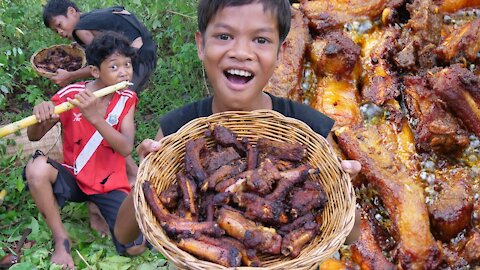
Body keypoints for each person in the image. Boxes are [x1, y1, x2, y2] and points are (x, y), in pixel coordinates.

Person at [114, 0, 361, 247]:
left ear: (281, 54)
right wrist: (147, 175)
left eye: (261, 40)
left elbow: (350, 236)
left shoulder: (310, 129)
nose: (241, 53)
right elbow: (124, 235)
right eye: (224, 36)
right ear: (201, 45)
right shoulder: (177, 129)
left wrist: (343, 185)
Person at [24, 32, 146, 269]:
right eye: (114, 66)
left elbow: (125, 147)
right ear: (95, 71)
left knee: (135, 247)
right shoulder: (71, 96)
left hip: (108, 183)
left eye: (127, 65)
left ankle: (96, 207)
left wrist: (95, 118)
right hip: (75, 176)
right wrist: (41, 115)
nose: (124, 72)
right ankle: (62, 240)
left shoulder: (127, 98)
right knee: (36, 169)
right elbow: (34, 136)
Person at [42, 0, 157, 93]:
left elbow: (103, 65)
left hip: (137, 60)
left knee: (118, 97)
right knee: (125, 95)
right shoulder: (91, 17)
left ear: (72, 11)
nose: (60, 32)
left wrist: (71, 76)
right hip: (148, 49)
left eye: (59, 25)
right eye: (56, 31)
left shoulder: (80, 29)